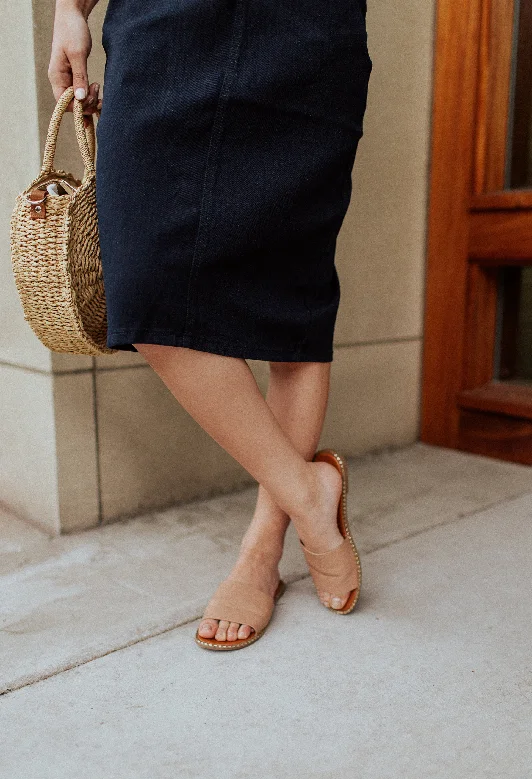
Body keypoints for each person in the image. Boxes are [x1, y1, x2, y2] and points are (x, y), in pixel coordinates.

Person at [49, 0, 372, 650]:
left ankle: (263, 547)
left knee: (292, 289)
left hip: (308, 28)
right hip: (166, 20)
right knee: (144, 286)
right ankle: (309, 497)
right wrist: (69, 8)